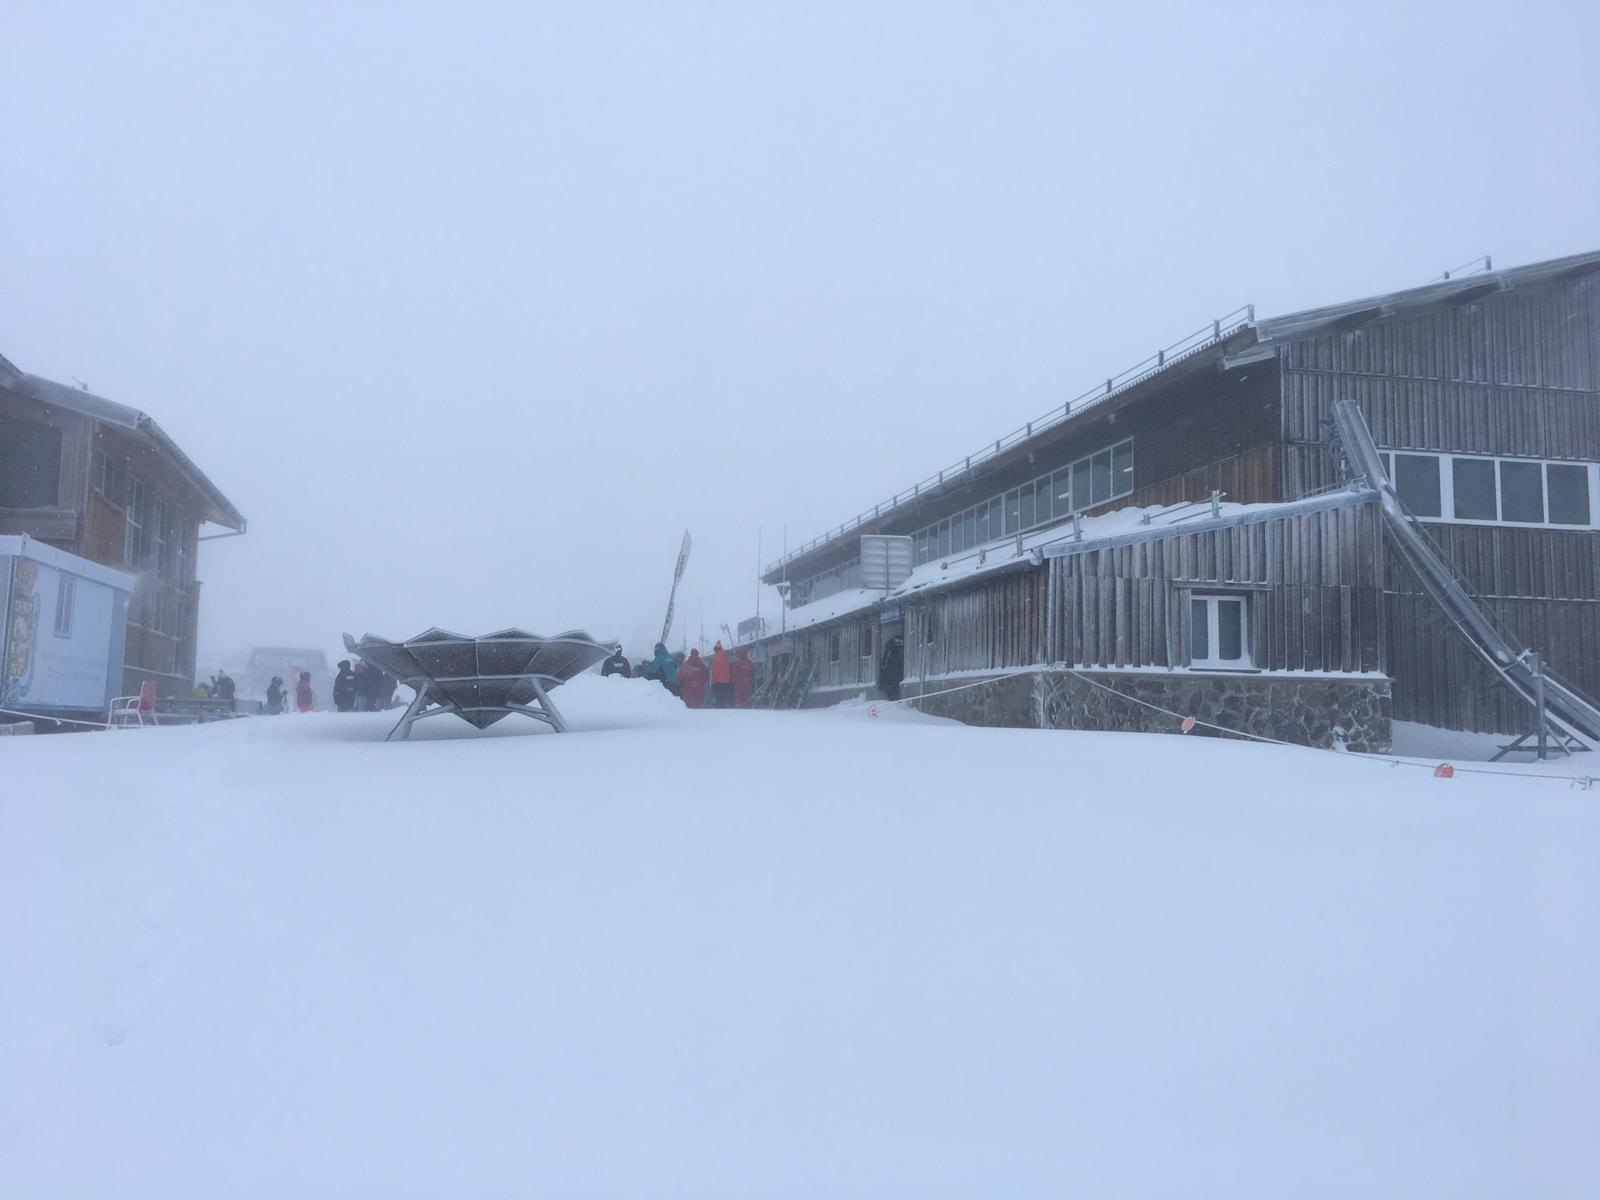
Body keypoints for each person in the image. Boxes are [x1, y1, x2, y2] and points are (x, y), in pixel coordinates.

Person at [878, 633, 905, 702]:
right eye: (899, 642)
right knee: (893, 693)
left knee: (893, 692)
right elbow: (887, 664)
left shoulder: (890, 649)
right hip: (891, 676)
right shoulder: (892, 650)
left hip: (891, 675)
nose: (900, 644)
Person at [708, 641, 732, 708]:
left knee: (718, 699)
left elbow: (715, 671)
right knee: (724, 698)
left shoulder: (715, 657)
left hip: (718, 682)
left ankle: (719, 712)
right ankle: (724, 709)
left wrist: (713, 683)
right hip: (726, 681)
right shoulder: (726, 657)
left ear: (715, 649)